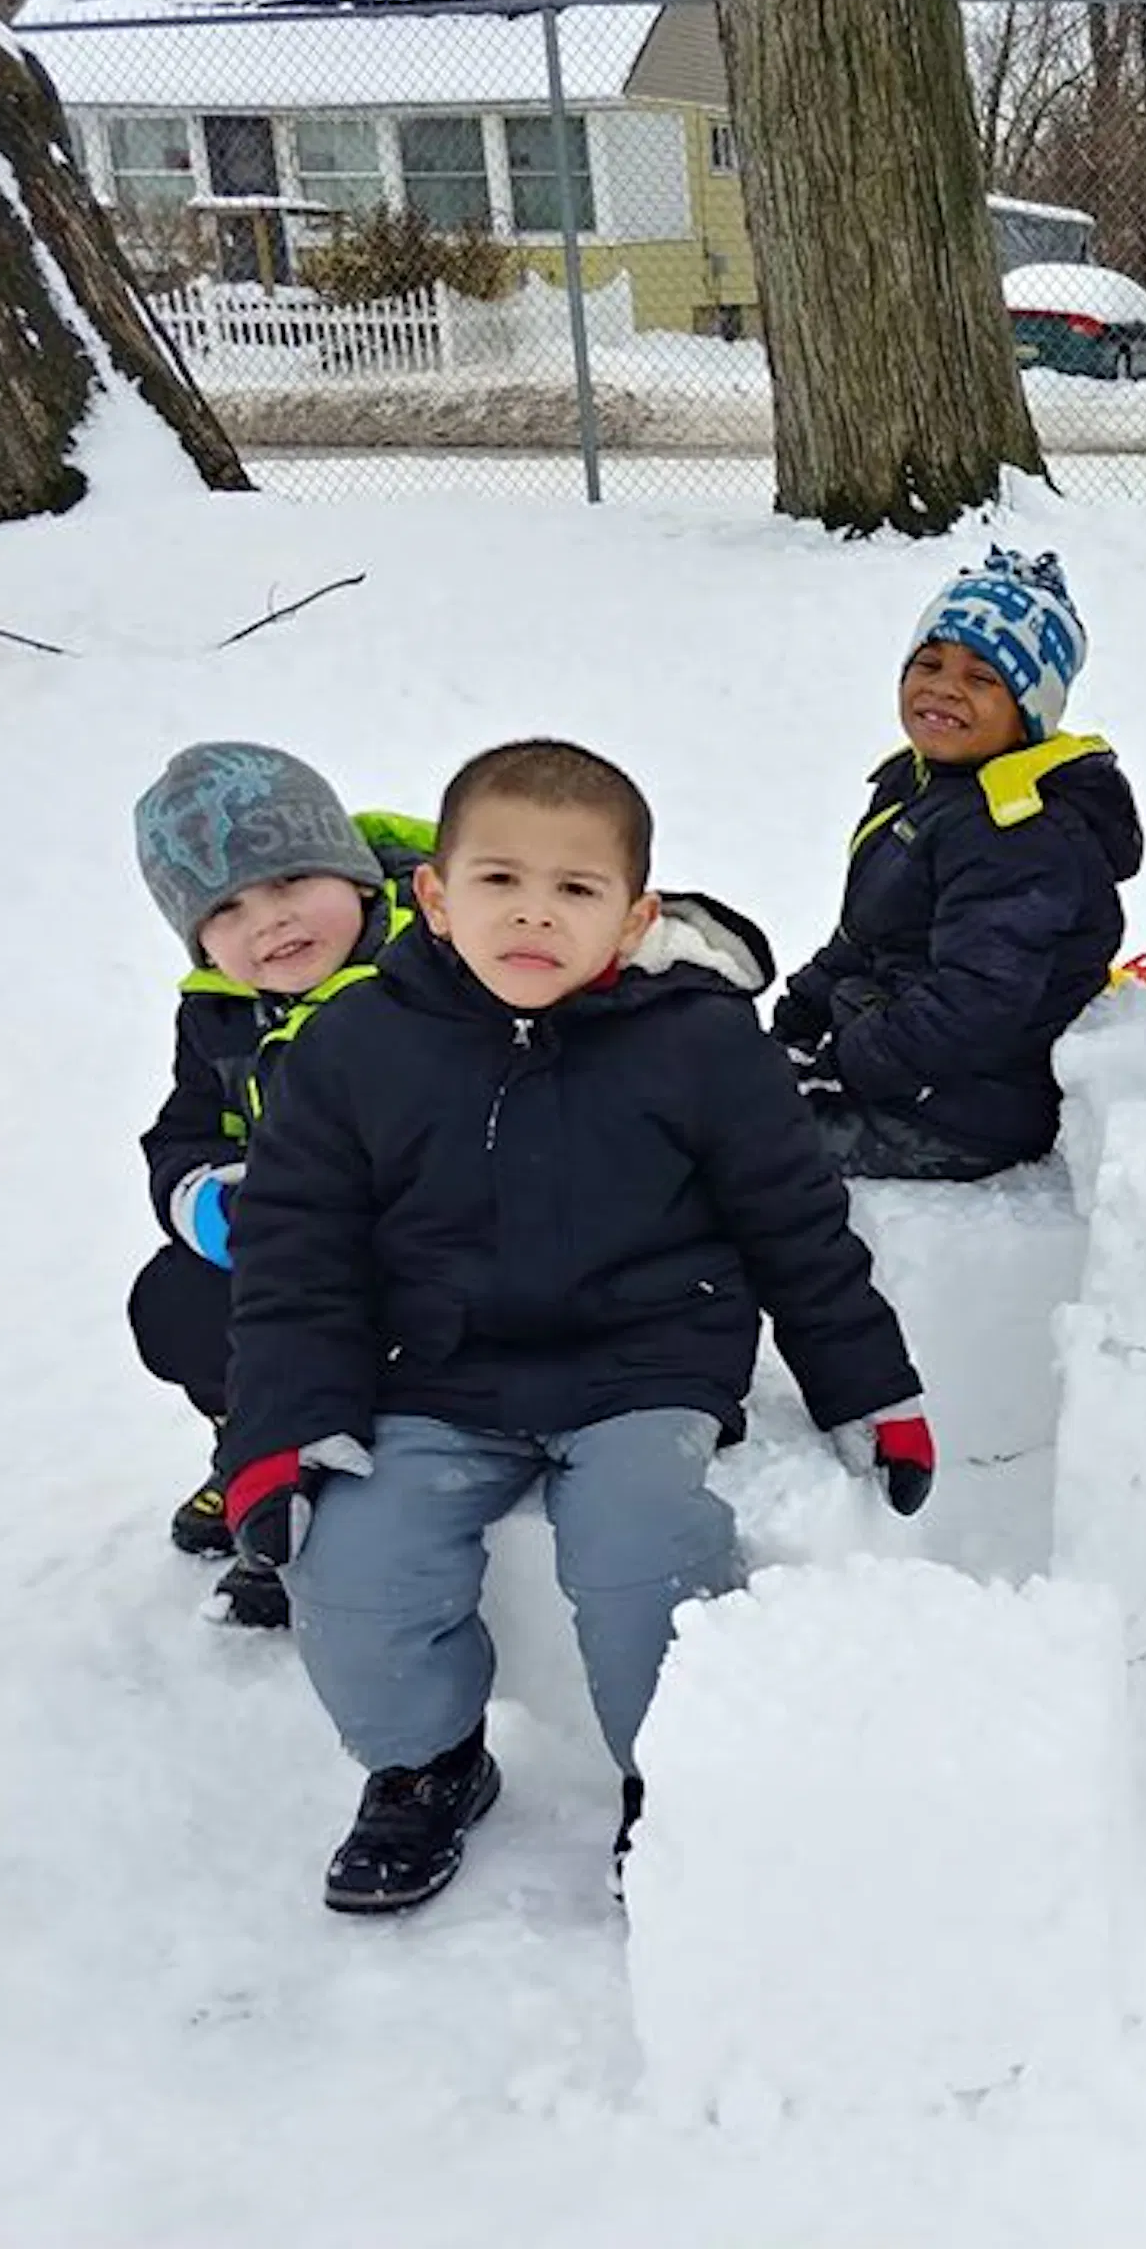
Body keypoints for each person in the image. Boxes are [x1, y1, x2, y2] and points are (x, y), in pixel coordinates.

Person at [223, 740, 932, 1914]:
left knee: (642, 1556)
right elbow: (297, 1256)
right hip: (434, 1373)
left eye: (576, 888)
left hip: (645, 1364)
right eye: (499, 881)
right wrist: (279, 1433)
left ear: (635, 915)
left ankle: (676, 1777)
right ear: (435, 897)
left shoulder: (704, 1045)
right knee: (353, 1568)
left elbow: (796, 1225)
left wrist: (869, 1387)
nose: (533, 914)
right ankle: (426, 1765)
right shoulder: (353, 1050)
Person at [127, 740, 433, 1628]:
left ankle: (339, 1501)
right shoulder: (218, 1013)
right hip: (300, 1253)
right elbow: (186, 1133)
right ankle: (258, 1456)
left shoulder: (436, 961)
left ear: (356, 874)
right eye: (226, 908)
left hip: (437, 1242)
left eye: (293, 879)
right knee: (178, 1300)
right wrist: (211, 1202)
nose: (271, 921)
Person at [772, 548, 1145, 1178]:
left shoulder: (1017, 832)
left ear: (1029, 713)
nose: (944, 686)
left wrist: (845, 1064)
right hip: (905, 1060)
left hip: (968, 1107)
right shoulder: (922, 783)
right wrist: (795, 1025)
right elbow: (867, 934)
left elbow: (978, 1000)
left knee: (739, 1143)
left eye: (982, 678)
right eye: (929, 663)